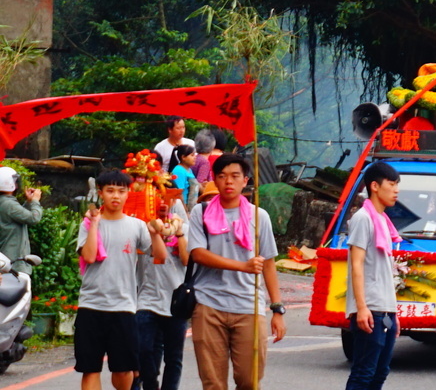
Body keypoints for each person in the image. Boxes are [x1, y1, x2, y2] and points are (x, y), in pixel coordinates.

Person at [188, 154, 286, 390]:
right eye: (222, 176)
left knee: (249, 380)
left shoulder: (259, 216)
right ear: (214, 180)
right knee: (213, 382)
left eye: (235, 176)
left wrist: (277, 309)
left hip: (248, 305)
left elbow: (269, 264)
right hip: (208, 304)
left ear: (245, 181)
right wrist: (242, 266)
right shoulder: (201, 213)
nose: (228, 182)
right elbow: (198, 254)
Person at [76, 170, 168, 390]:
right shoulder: (88, 224)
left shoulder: (136, 226)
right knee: (90, 369)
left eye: (121, 191)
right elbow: (89, 256)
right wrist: (94, 224)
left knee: (124, 370)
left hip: (124, 307)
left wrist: (155, 233)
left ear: (128, 193)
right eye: (110, 191)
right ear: (100, 193)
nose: (115, 196)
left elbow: (160, 256)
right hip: (91, 306)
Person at [346, 162, 402, 390]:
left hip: (385, 309)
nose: (396, 190)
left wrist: (393, 311)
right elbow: (356, 264)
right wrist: (361, 307)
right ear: (375, 186)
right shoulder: (363, 218)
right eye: (392, 184)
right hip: (370, 309)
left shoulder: (383, 220)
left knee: (380, 372)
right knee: (364, 373)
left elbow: (384, 270)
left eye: (397, 185)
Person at [133, 200, 189, 390]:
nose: (163, 203)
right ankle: (150, 383)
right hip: (147, 298)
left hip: (176, 301)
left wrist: (179, 233)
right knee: (143, 349)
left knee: (173, 357)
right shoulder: (142, 227)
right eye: (159, 198)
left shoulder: (183, 228)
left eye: (168, 199)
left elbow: (186, 259)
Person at [0, 166, 43, 275]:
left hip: (5, 261)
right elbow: (34, 218)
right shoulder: (9, 204)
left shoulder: (4, 203)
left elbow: (19, 216)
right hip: (13, 264)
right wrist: (35, 201)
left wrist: (28, 202)